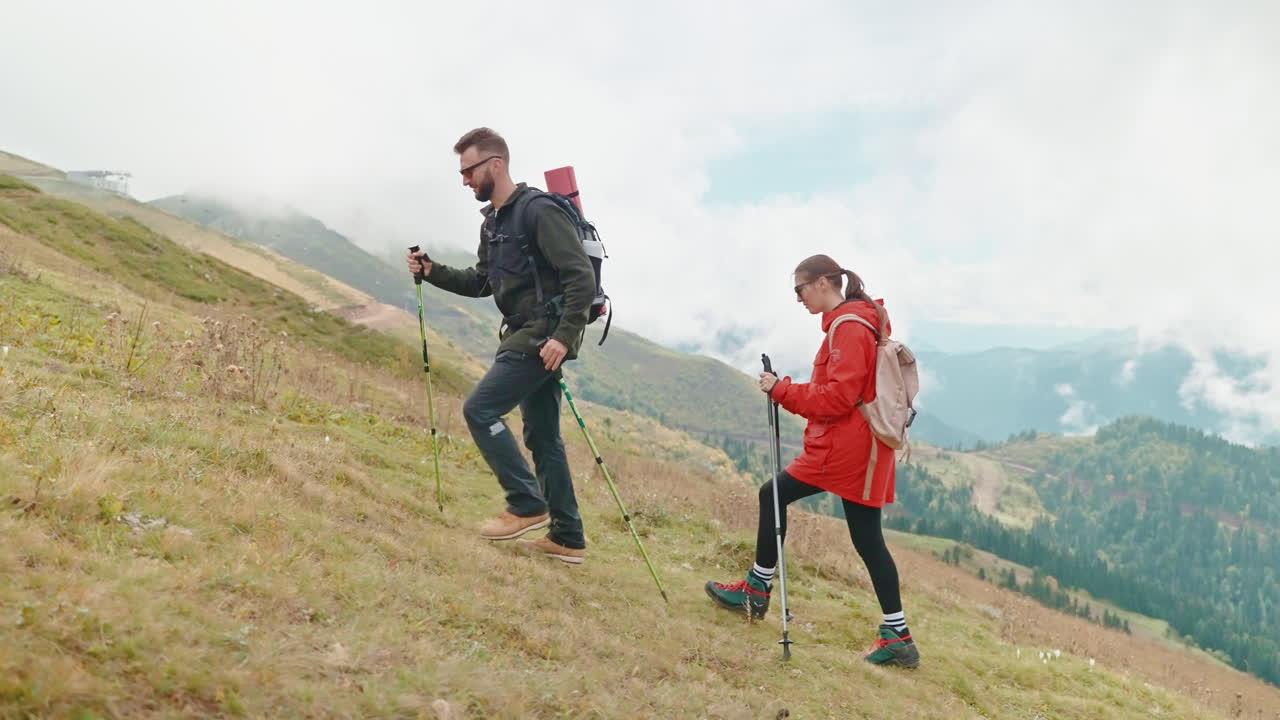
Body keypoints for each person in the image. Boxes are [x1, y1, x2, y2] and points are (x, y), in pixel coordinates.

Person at [704, 254, 921, 668]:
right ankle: (898, 635)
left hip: (846, 449)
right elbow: (841, 389)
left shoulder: (848, 328)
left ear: (823, 283)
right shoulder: (859, 322)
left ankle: (756, 591)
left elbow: (837, 398)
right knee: (867, 538)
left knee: (773, 494)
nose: (799, 299)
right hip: (865, 447)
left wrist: (781, 390)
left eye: (799, 290)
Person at [406, 127, 595, 565]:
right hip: (523, 333)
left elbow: (579, 278)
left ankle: (526, 504)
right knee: (543, 437)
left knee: (480, 409)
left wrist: (564, 338)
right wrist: (432, 270)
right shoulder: (493, 222)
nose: (465, 180)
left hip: (541, 337)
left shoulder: (539, 212)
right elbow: (482, 282)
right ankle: (567, 538)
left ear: (496, 164)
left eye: (469, 170)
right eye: (462, 172)